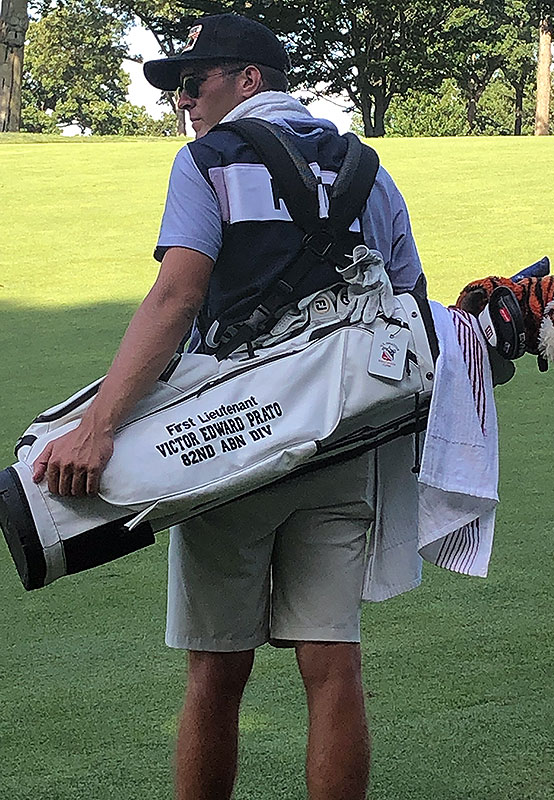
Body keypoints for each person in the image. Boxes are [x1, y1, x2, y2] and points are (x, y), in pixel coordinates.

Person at [32, 13, 426, 800]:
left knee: (216, 671)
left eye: (195, 80)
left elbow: (177, 295)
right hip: (342, 442)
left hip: (230, 444)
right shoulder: (370, 171)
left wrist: (99, 426)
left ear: (249, 80)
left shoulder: (209, 160)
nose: (183, 98)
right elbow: (410, 307)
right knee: (333, 663)